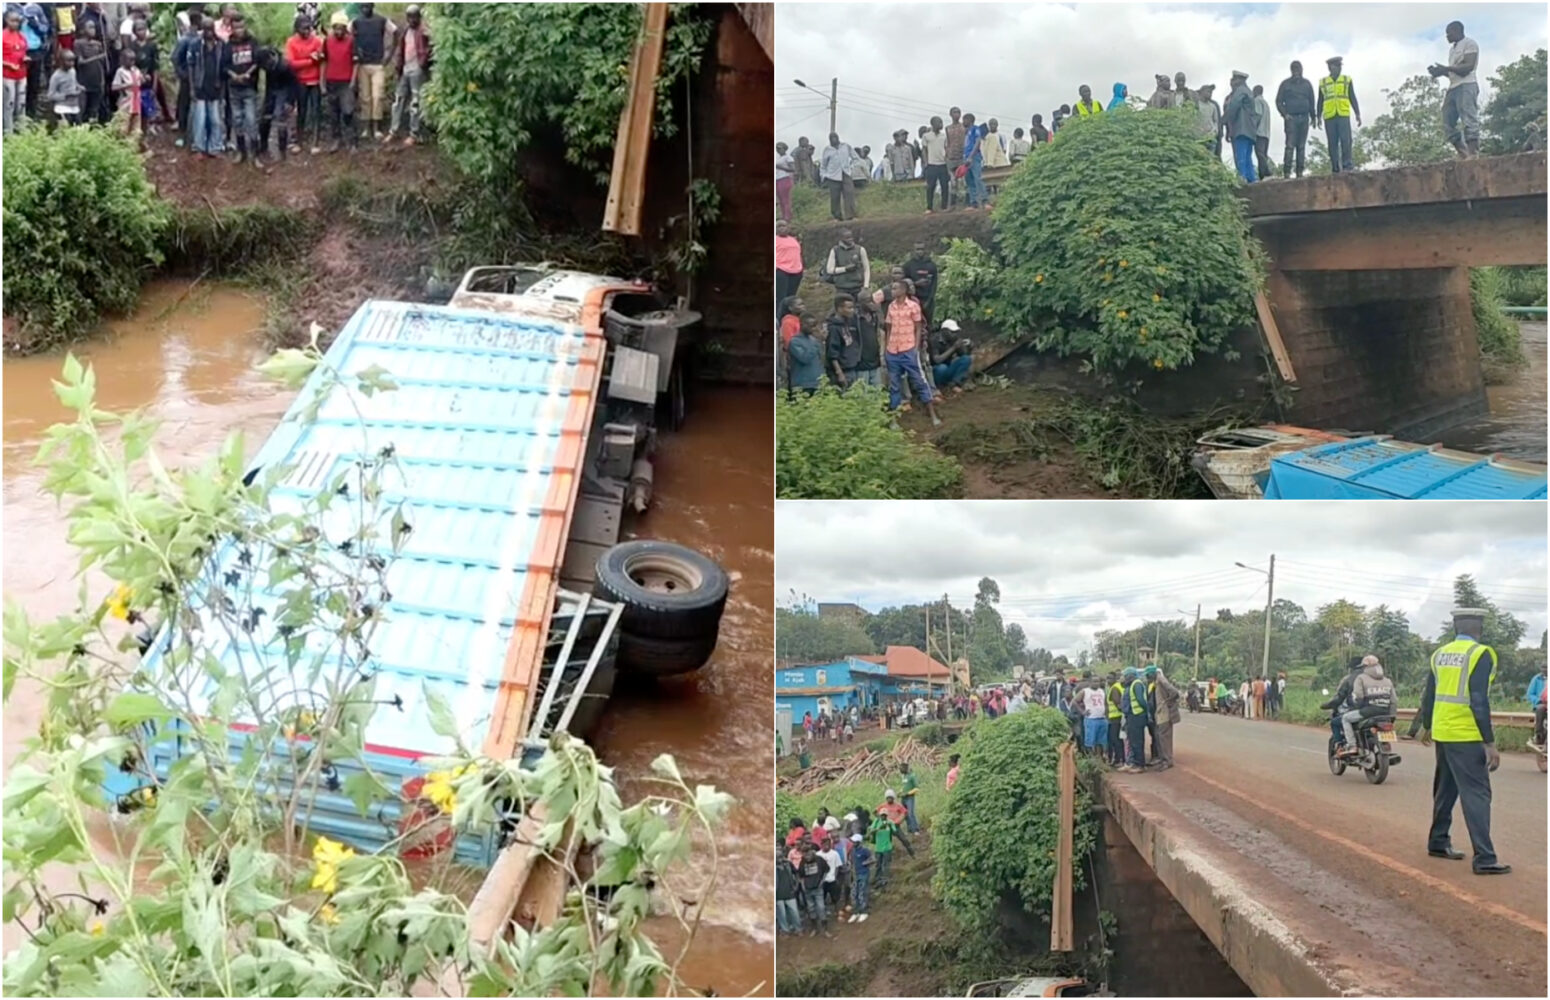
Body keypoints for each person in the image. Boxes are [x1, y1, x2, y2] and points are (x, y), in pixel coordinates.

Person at [1417, 608, 1508, 875]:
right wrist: (1489, 742)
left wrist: (1427, 726)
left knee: (1445, 789)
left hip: (1443, 732)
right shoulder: (1481, 653)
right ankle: (1485, 858)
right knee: (1477, 794)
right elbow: (1479, 699)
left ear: (1456, 628)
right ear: (1479, 628)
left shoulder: (1440, 654)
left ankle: (1438, 841)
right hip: (1466, 734)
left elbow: (1429, 694)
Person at [883, 279, 939, 423]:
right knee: (894, 386)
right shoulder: (891, 307)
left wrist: (915, 348)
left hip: (908, 350)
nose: (892, 291)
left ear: (903, 290)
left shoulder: (913, 306)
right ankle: (893, 419)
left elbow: (918, 327)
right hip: (893, 351)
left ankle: (932, 414)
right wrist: (886, 349)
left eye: (895, 288)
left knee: (920, 381)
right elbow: (889, 328)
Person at [1430, 20, 1480, 158]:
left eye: (1449, 33)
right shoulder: (1452, 49)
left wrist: (1447, 68)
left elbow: (1467, 68)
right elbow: (1454, 71)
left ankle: (1473, 153)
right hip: (1453, 87)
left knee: (1469, 119)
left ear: (1457, 31)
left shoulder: (1470, 43)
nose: (1447, 36)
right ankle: (1464, 153)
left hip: (1467, 85)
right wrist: (1440, 72)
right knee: (1447, 121)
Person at [387, 4, 431, 145]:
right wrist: (398, 67)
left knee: (415, 102)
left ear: (419, 17)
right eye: (409, 17)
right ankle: (393, 131)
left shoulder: (423, 31)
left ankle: (414, 133)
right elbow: (401, 50)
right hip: (405, 69)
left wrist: (423, 62)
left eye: (414, 16)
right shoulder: (406, 31)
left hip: (418, 70)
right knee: (398, 100)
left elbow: (431, 46)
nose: (412, 19)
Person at [1338, 655, 1396, 758]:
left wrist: (1358, 707)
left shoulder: (1361, 678)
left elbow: (1358, 696)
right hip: (1385, 713)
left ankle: (1352, 746)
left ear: (1365, 667)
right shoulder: (1387, 680)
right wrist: (1392, 717)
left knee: (1345, 718)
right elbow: (1394, 701)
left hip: (1368, 712)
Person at [183, 19, 224, 157]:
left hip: (215, 87)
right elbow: (190, 66)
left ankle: (215, 147)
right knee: (199, 120)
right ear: (202, 29)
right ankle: (198, 147)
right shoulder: (195, 45)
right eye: (206, 29)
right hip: (200, 87)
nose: (209, 32)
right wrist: (192, 88)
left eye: (211, 28)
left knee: (216, 120)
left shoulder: (220, 45)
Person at [351, 2, 390, 141]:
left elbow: (395, 32)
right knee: (365, 97)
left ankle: (376, 128)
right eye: (363, 6)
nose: (365, 9)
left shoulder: (381, 20)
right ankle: (366, 128)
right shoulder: (356, 22)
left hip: (378, 64)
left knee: (378, 95)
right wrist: (355, 53)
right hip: (362, 64)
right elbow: (350, 37)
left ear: (373, 6)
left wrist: (388, 56)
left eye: (368, 6)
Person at [225, 15, 261, 166]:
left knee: (251, 120)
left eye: (241, 27)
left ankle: (255, 155)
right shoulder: (228, 45)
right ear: (231, 28)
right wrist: (234, 76)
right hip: (234, 88)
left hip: (249, 87)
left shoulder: (253, 42)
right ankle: (241, 152)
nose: (239, 30)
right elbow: (224, 65)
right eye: (236, 27)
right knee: (237, 120)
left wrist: (248, 74)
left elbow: (258, 61)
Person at [285, 15, 324, 153]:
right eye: (304, 28)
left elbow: (321, 58)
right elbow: (291, 63)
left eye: (309, 28)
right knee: (302, 111)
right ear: (297, 29)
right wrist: (310, 61)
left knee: (316, 111)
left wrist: (315, 60)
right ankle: (299, 142)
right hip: (300, 82)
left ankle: (315, 142)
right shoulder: (291, 42)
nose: (308, 31)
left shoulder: (317, 41)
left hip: (315, 81)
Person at [1316, 56, 1360, 174]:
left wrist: (1357, 113)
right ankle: (1335, 167)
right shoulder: (1323, 82)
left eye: (1340, 66)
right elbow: (1320, 100)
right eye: (1337, 66)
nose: (1339, 69)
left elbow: (1352, 97)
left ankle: (1347, 165)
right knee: (1332, 143)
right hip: (1329, 116)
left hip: (1343, 114)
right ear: (1331, 68)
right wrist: (1318, 116)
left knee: (1346, 140)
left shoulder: (1347, 80)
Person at [320, 11, 356, 152]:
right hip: (331, 81)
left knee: (348, 111)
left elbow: (356, 63)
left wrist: (353, 81)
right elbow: (323, 62)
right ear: (333, 28)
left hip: (346, 82)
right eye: (336, 28)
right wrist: (322, 83)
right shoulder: (327, 41)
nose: (338, 31)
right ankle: (336, 139)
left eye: (341, 28)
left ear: (345, 28)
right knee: (334, 113)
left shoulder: (351, 41)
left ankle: (352, 140)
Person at [257, 44, 297, 161]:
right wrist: (267, 100)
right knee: (265, 118)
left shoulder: (285, 66)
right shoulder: (268, 65)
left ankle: (282, 152)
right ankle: (263, 147)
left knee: (281, 119)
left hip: (284, 91)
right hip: (271, 91)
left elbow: (293, 85)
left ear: (271, 57)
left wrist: (290, 102)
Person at [1275, 61, 1315, 178]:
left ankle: (1299, 172)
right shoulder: (1285, 84)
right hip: (1291, 118)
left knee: (1301, 146)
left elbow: (1311, 101)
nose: (1296, 70)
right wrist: (1285, 114)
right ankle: (1287, 172)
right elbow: (1278, 101)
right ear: (1291, 70)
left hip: (1304, 117)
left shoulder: (1307, 84)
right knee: (1290, 145)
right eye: (1294, 68)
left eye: (1298, 68)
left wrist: (1313, 117)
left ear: (1302, 69)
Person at [1320, 656, 1367, 748]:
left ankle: (1342, 745)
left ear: (1352, 668)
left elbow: (1339, 698)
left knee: (1336, 722)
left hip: (1358, 710)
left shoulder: (1349, 679)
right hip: (1377, 710)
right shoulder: (1372, 677)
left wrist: (1327, 705)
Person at [1223, 71, 1256, 182]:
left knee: (1241, 156)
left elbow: (1234, 106)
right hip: (1250, 129)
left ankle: (1242, 179)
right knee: (1247, 157)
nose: (1232, 83)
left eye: (1233, 80)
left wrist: (1223, 121)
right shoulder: (1249, 91)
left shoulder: (1240, 90)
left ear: (1239, 80)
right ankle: (1252, 179)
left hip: (1242, 128)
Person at [825, 293, 863, 389]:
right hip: (842, 370)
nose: (852, 311)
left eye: (853, 308)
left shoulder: (848, 323)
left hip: (852, 367)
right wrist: (839, 373)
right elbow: (832, 353)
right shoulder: (833, 328)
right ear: (839, 309)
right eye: (849, 308)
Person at [823, 228, 869, 301]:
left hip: (857, 287)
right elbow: (829, 270)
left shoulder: (860, 249)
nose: (850, 239)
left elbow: (866, 269)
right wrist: (845, 269)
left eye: (851, 237)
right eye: (847, 238)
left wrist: (866, 286)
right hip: (841, 288)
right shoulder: (835, 250)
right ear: (841, 238)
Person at [927, 319, 973, 392]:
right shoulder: (934, 340)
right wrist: (954, 348)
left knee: (966, 359)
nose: (955, 334)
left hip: (948, 368)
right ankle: (940, 387)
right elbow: (937, 360)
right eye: (952, 332)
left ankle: (954, 383)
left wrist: (968, 347)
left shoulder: (953, 339)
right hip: (936, 371)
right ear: (944, 331)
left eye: (956, 332)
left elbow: (963, 356)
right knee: (942, 367)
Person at [819, 131, 856, 222]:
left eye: (835, 137)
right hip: (832, 176)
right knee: (834, 197)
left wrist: (851, 168)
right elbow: (823, 165)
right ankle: (837, 216)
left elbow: (855, 157)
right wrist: (824, 176)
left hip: (846, 173)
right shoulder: (827, 150)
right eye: (831, 138)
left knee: (849, 194)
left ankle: (850, 216)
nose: (833, 139)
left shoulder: (845, 146)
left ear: (838, 137)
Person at [796, 841, 831, 935]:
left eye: (808, 854)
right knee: (811, 908)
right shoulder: (802, 862)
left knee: (821, 907)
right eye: (804, 854)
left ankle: (825, 929)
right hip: (807, 889)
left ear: (812, 852)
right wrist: (803, 885)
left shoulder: (819, 860)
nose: (806, 857)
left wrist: (822, 881)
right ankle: (814, 929)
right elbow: (800, 875)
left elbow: (826, 870)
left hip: (817, 888)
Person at [1150, 666, 1180, 770]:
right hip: (1160, 713)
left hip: (1164, 714)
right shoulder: (1156, 682)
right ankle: (1164, 760)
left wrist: (1166, 702)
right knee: (1160, 737)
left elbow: (1175, 692)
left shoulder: (1161, 680)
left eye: (1148, 675)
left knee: (1164, 738)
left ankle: (1167, 761)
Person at [1120, 667, 1149, 772]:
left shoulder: (1136, 684)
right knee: (1133, 741)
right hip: (1133, 716)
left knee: (1137, 741)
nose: (1125, 678)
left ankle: (1140, 765)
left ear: (1131, 675)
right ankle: (1134, 763)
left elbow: (1141, 700)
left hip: (1137, 716)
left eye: (1126, 676)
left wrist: (1145, 711)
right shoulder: (1132, 685)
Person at [786, 315, 822, 397]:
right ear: (802, 325)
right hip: (802, 384)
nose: (814, 329)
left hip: (816, 382)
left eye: (815, 326)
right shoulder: (795, 341)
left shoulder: (814, 340)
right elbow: (804, 358)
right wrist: (816, 344)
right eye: (811, 326)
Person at [903, 241, 938, 326]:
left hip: (928, 300)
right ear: (913, 250)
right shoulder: (908, 266)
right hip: (913, 300)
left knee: (928, 325)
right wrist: (915, 284)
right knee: (913, 324)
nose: (920, 252)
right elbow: (904, 284)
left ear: (925, 250)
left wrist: (929, 301)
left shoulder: (931, 265)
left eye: (922, 249)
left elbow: (934, 285)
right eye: (918, 249)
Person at [110, 45, 140, 140]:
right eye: (129, 60)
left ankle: (132, 146)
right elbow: (114, 87)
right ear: (123, 60)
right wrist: (126, 85)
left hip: (137, 102)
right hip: (125, 103)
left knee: (136, 127)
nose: (132, 62)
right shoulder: (120, 71)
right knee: (123, 126)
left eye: (133, 60)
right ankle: (121, 145)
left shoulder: (136, 70)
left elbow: (139, 81)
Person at [45, 47, 80, 126]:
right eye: (69, 61)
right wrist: (66, 95)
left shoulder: (72, 71)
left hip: (74, 106)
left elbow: (74, 82)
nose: (72, 63)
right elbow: (50, 95)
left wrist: (78, 87)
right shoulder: (56, 76)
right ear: (61, 62)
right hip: (62, 107)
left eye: (73, 61)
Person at [921, 115, 949, 213]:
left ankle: (944, 207)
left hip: (942, 164)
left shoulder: (944, 136)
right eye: (939, 123)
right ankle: (929, 207)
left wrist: (947, 160)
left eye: (941, 122)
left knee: (944, 186)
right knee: (930, 187)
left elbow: (946, 149)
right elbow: (924, 150)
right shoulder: (926, 136)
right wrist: (926, 162)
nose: (941, 125)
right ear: (933, 124)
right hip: (931, 164)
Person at [961, 112, 987, 209]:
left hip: (974, 157)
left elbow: (977, 142)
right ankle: (974, 202)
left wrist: (971, 156)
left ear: (969, 120)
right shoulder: (965, 132)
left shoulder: (975, 129)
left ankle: (985, 200)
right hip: (965, 158)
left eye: (964, 120)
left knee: (978, 178)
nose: (963, 122)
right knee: (969, 181)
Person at [774, 220, 803, 303]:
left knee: (791, 298)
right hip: (781, 270)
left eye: (784, 226)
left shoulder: (794, 240)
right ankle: (778, 315)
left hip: (796, 271)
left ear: (788, 228)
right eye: (779, 226)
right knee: (781, 297)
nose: (782, 228)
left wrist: (801, 267)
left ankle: (788, 315)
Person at [775, 844, 800, 935]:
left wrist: (796, 885)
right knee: (782, 915)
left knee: (794, 912)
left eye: (781, 856)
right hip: (778, 895)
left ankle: (798, 929)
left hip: (790, 892)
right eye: (777, 857)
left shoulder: (788, 864)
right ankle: (785, 930)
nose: (780, 859)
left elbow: (796, 873)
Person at [944, 107, 966, 208]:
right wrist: (947, 155)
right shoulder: (948, 128)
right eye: (954, 112)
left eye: (958, 112)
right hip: (951, 157)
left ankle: (963, 203)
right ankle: (952, 204)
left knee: (962, 181)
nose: (957, 114)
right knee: (953, 182)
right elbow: (948, 143)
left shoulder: (963, 127)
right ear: (950, 114)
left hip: (962, 156)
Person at [1250, 84, 1273, 178]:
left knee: (1259, 153)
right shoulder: (1266, 103)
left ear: (1255, 91)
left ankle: (1266, 172)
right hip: (1266, 133)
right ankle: (1262, 174)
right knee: (1263, 153)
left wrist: (1253, 128)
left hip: (1259, 132)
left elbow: (1258, 115)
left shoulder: (1257, 101)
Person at [1082, 678, 1109, 758]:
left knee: (1101, 741)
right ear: (1090, 682)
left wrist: (1106, 715)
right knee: (1090, 741)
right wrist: (1082, 712)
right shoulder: (1085, 691)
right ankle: (1091, 759)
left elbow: (1106, 704)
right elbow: (1075, 701)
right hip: (1091, 719)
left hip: (1102, 719)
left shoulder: (1102, 691)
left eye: (1098, 681)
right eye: (1094, 681)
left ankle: (1099, 758)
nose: (1096, 683)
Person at [847, 833, 871, 922]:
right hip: (855, 874)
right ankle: (856, 912)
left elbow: (872, 859)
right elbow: (850, 861)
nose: (852, 843)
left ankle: (863, 912)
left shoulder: (865, 850)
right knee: (854, 894)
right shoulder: (852, 851)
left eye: (854, 842)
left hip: (863, 874)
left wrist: (865, 863)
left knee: (862, 893)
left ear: (859, 842)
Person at [1195, 82, 1222, 156]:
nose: (1210, 93)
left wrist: (1214, 131)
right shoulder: (1196, 105)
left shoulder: (1213, 106)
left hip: (1210, 137)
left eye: (1211, 92)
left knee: (1210, 158)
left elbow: (1216, 121)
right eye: (1208, 91)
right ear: (1201, 92)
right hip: (1199, 137)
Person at [1106, 672, 1125, 766]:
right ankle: (1119, 759)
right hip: (1116, 717)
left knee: (1115, 739)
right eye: (1107, 678)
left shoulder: (1114, 689)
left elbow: (1118, 703)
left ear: (1114, 679)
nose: (1108, 680)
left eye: (1110, 678)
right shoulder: (1118, 686)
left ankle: (1119, 759)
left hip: (1115, 717)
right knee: (1118, 739)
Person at [774, 141, 795, 220]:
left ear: (784, 149)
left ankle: (788, 217)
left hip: (785, 178)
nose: (778, 150)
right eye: (777, 148)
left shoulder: (788, 158)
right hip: (778, 179)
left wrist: (780, 167)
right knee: (780, 200)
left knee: (785, 199)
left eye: (779, 148)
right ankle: (783, 216)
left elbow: (793, 169)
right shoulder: (779, 158)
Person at [1527, 667, 1547, 750]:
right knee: (1540, 709)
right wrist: (1538, 700)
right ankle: (1539, 736)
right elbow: (1530, 694)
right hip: (1541, 704)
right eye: (1543, 668)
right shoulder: (1536, 679)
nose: (1545, 670)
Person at [898, 762, 920, 834]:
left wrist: (907, 793)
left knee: (911, 813)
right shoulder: (904, 776)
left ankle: (916, 829)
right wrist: (900, 792)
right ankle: (909, 829)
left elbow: (917, 788)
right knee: (905, 814)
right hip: (903, 798)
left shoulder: (912, 776)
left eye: (901, 768)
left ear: (906, 768)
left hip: (909, 798)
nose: (900, 770)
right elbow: (904, 786)